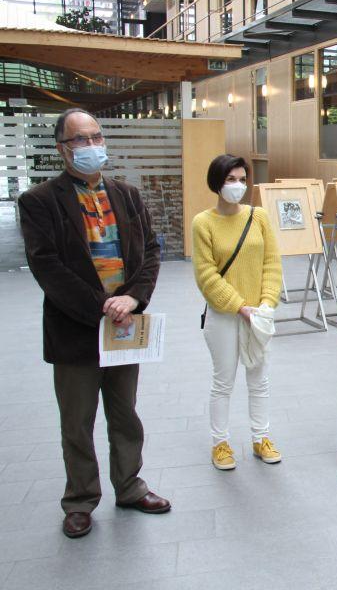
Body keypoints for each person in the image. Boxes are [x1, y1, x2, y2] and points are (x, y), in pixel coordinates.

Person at [18, 108, 170, 539]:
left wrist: (133, 298)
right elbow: (47, 267)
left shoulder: (127, 194)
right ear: (63, 148)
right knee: (78, 421)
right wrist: (103, 307)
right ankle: (81, 500)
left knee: (125, 414)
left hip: (124, 328)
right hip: (76, 329)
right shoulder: (40, 201)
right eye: (80, 140)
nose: (90, 146)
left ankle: (130, 486)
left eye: (96, 137)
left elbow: (150, 254)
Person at [192, 155, 282, 471]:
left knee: (259, 379)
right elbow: (206, 274)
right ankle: (220, 443)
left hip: (259, 313)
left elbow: (272, 262)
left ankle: (261, 437)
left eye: (242, 179)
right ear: (216, 182)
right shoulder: (203, 222)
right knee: (224, 381)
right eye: (231, 179)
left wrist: (267, 303)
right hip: (224, 315)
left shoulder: (258, 217)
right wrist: (238, 306)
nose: (238, 186)